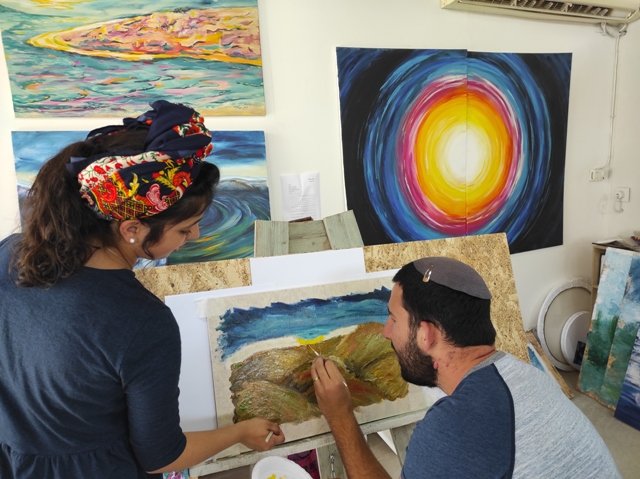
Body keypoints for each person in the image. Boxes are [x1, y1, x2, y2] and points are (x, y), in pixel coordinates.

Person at [0, 100, 284, 478]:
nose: (196, 235)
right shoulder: (141, 319)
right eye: (184, 229)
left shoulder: (12, 253)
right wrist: (240, 432)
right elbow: (162, 457)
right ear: (131, 229)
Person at [311, 256, 621, 479]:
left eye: (393, 319)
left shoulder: (454, 427)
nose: (385, 332)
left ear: (426, 335)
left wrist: (341, 416)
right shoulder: (526, 374)